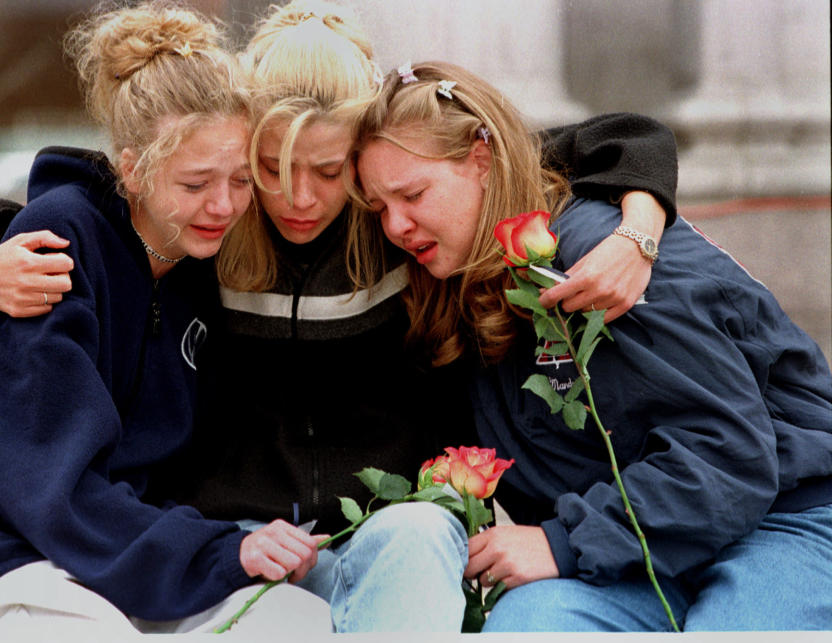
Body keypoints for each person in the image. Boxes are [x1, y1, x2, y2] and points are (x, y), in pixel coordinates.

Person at [0, 1, 682, 631]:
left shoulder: (390, 215)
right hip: (233, 535)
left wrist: (638, 231)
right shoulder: (213, 221)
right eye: (271, 168)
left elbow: (619, 140)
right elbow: (89, 201)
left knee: (420, 535)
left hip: (389, 523)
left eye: (328, 171)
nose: (298, 198)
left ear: (362, 151)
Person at [0, 2, 333, 635]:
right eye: (196, 183)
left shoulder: (198, 261)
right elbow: (45, 481)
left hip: (119, 551)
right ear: (132, 169)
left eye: (239, 179)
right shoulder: (58, 244)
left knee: (292, 620)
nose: (225, 205)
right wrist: (210, 550)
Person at [354, 60, 832, 631]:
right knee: (527, 627)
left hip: (782, 519)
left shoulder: (594, 260)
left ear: (480, 161)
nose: (396, 227)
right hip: (633, 555)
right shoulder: (459, 283)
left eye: (413, 194)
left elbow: (730, 453)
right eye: (380, 207)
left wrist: (561, 543)